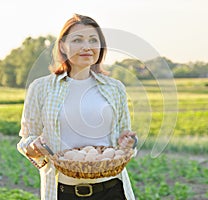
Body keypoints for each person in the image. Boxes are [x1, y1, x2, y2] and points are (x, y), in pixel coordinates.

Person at [17, 14, 137, 200]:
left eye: (93, 40)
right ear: (63, 46)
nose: (86, 47)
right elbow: (26, 139)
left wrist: (128, 143)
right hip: (63, 191)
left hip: (113, 190)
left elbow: (125, 137)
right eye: (77, 40)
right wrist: (33, 148)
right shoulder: (40, 88)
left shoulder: (115, 88)